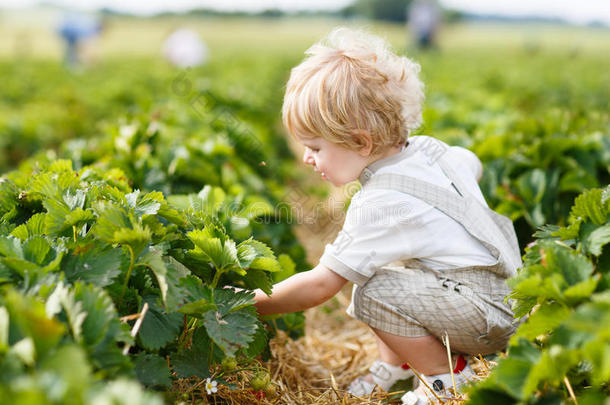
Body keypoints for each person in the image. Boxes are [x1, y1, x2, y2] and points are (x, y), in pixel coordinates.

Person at [253, 27, 521, 405]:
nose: (307, 159)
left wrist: (251, 301)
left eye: (315, 147)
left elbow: (320, 286)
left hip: (483, 319)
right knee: (380, 267)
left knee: (371, 289)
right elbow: (471, 164)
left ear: (361, 142)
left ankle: (446, 379)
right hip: (507, 296)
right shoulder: (431, 150)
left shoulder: (380, 203)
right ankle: (397, 367)